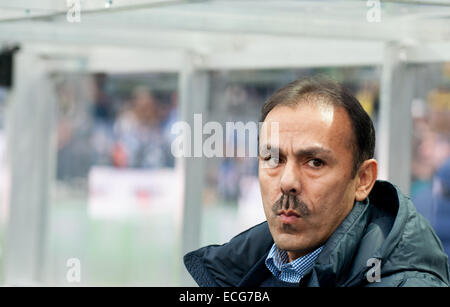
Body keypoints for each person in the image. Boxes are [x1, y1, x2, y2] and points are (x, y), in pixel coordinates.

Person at [183, 77, 450, 287]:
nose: (288, 182)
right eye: (273, 159)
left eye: (315, 162)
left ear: (363, 179)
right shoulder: (240, 269)